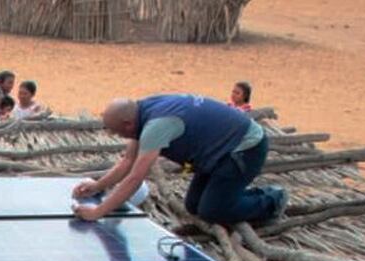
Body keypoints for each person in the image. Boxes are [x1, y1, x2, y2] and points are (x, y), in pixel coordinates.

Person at [71, 95, 286, 226]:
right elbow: (128, 160)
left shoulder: (156, 126)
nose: (119, 137)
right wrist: (98, 186)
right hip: (216, 151)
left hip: (244, 149)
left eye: (118, 133)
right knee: (193, 206)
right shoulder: (141, 111)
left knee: (212, 211)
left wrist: (98, 212)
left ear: (128, 124)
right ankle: (233, 195)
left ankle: (272, 199)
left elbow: (135, 176)